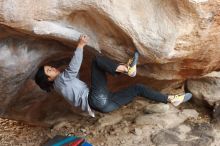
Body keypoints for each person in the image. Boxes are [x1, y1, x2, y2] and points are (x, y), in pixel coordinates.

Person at [35, 35, 192, 117]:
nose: (54, 69)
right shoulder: (61, 81)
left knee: (138, 88)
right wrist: (80, 46)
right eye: (49, 70)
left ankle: (172, 99)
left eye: (51, 67)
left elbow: (73, 74)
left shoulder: (60, 86)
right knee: (97, 61)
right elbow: (73, 68)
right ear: (48, 79)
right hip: (96, 100)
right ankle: (127, 68)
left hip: (105, 107)